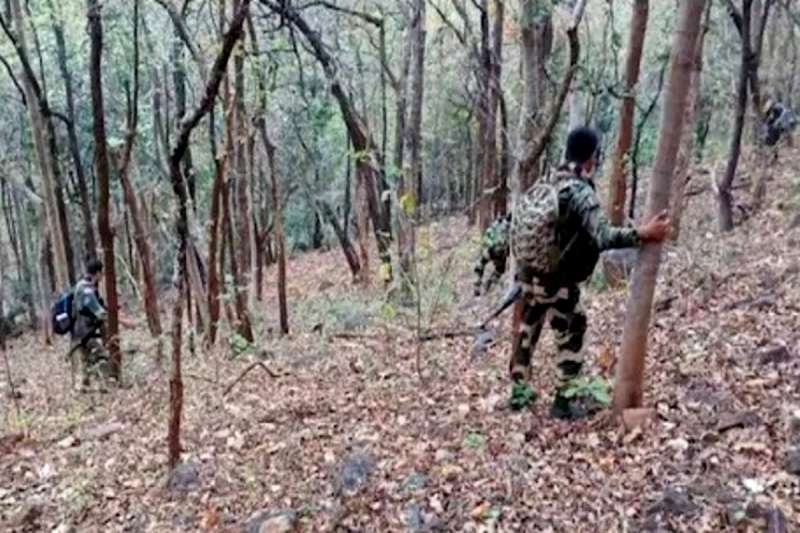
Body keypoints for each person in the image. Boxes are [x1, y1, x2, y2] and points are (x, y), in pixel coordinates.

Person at [510, 127, 670, 419]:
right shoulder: (579, 191)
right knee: (573, 329)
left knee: (528, 329)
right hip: (558, 281)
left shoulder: (548, 181)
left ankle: (518, 393)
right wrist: (643, 233)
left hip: (529, 276)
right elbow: (603, 236)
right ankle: (564, 400)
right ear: (590, 158)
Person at [70, 258, 110, 391]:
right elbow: (98, 312)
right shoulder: (86, 289)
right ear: (97, 273)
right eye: (101, 273)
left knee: (85, 359)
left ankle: (84, 385)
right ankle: (102, 385)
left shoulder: (83, 285)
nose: (102, 276)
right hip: (84, 331)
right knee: (102, 355)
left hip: (81, 331)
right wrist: (124, 321)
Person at [474, 213, 511, 296]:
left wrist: (488, 245)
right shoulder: (505, 226)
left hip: (493, 250)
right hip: (498, 252)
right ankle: (486, 284)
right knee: (498, 270)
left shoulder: (496, 225)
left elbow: (487, 236)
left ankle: (480, 285)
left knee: (481, 265)